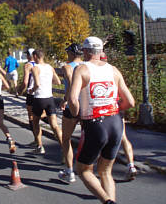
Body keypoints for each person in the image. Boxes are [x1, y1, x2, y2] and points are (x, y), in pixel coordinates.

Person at [69, 37, 135, 204]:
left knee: (83, 169)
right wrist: (111, 108)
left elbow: (72, 99)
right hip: (115, 123)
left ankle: (107, 201)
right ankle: (110, 200)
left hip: (95, 124)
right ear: (100, 51)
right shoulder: (113, 70)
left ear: (84, 51)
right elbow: (130, 102)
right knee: (106, 171)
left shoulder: (82, 69)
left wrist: (77, 114)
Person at [100, 52, 137, 181]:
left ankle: (102, 167)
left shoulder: (96, 72)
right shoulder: (114, 71)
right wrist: (119, 106)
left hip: (103, 111)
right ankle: (131, 165)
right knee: (123, 138)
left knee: (103, 139)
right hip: (116, 108)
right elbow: (129, 100)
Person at [58, 43, 83, 184]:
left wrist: (65, 100)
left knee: (66, 139)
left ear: (72, 53)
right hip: (86, 106)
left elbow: (72, 84)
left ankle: (69, 171)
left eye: (68, 52)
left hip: (72, 105)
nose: (67, 55)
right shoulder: (87, 66)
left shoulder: (67, 67)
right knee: (88, 139)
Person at [30, 49, 63, 154]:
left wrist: (31, 90)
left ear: (35, 56)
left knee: (35, 122)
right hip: (49, 98)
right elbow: (58, 81)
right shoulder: (50, 67)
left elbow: (37, 84)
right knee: (54, 125)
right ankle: (64, 147)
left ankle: (40, 146)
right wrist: (48, 81)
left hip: (39, 98)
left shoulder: (35, 68)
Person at [18, 48, 38, 145]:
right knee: (40, 115)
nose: (26, 56)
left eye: (27, 54)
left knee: (31, 117)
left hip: (31, 93)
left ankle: (36, 140)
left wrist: (20, 91)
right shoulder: (40, 65)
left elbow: (25, 82)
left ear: (30, 55)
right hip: (41, 93)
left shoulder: (28, 65)